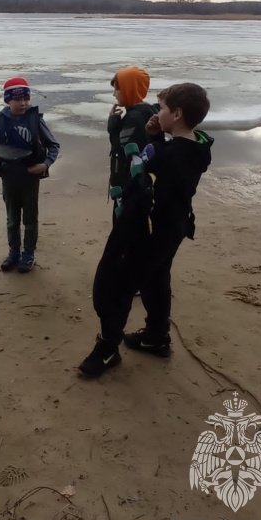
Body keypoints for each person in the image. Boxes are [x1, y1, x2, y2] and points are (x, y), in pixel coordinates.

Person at [78, 82, 214, 377]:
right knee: (156, 278)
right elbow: (171, 165)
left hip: (148, 231)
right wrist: (158, 136)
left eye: (162, 108)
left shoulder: (170, 156)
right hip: (173, 227)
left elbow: (146, 180)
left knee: (116, 284)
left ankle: (108, 348)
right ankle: (156, 336)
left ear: (176, 114)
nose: (156, 112)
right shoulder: (196, 148)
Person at [0, 77, 60, 273]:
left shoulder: (35, 119)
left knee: (30, 218)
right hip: (9, 177)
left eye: (26, 99)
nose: (23, 103)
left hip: (30, 176)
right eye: (18, 99)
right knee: (12, 218)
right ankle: (14, 252)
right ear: (7, 100)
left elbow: (53, 145)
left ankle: (28, 253)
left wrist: (45, 164)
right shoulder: (1, 120)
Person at [107, 66, 157, 220]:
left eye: (117, 89)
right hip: (143, 183)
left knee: (124, 229)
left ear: (129, 89)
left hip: (130, 186)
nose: (114, 94)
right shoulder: (148, 111)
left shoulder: (133, 118)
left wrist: (113, 125)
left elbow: (122, 150)